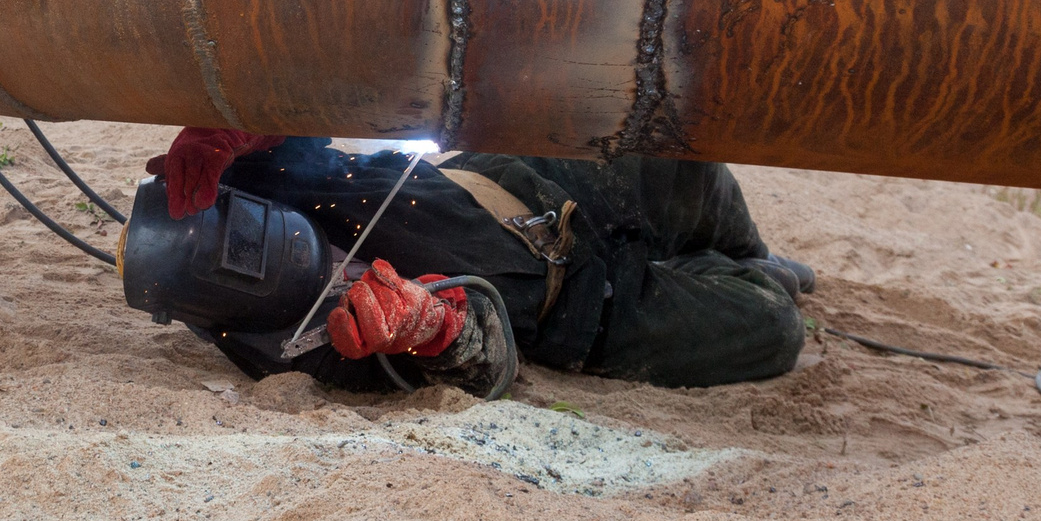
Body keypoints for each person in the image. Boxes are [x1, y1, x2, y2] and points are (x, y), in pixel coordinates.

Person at [141, 128, 815, 395]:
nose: (258, 242)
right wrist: (433, 328)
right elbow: (493, 371)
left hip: (519, 179)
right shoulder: (304, 342)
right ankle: (743, 275)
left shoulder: (259, 179)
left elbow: (306, 104)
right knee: (771, 323)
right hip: (583, 303)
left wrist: (244, 125)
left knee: (675, 155)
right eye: (242, 260)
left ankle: (750, 253)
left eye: (237, 224)